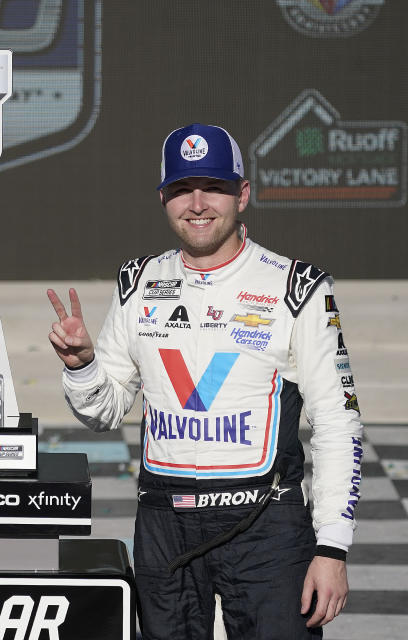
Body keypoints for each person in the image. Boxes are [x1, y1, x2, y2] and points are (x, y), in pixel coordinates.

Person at [47, 124, 363, 639]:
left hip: (266, 527)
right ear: (165, 200)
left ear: (242, 194)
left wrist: (331, 547)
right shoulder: (138, 281)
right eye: (180, 189)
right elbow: (102, 412)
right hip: (163, 524)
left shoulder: (299, 287)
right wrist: (82, 365)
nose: (196, 204)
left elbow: (337, 423)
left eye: (213, 186)